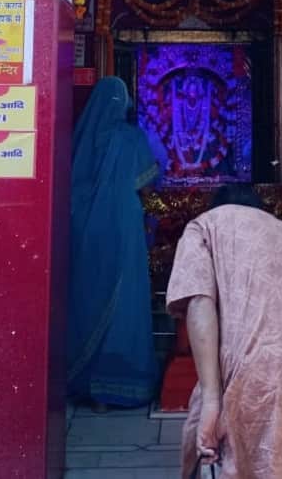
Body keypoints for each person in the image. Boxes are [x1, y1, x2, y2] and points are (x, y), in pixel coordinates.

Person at [166, 184, 282, 478]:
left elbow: (199, 301)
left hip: (259, 369)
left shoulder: (205, 226)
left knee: (239, 460)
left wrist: (212, 400)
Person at [67, 76, 160, 408]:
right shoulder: (131, 139)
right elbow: (147, 184)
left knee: (87, 294)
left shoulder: (82, 139)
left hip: (84, 229)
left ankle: (84, 382)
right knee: (124, 299)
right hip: (122, 226)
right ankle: (117, 386)